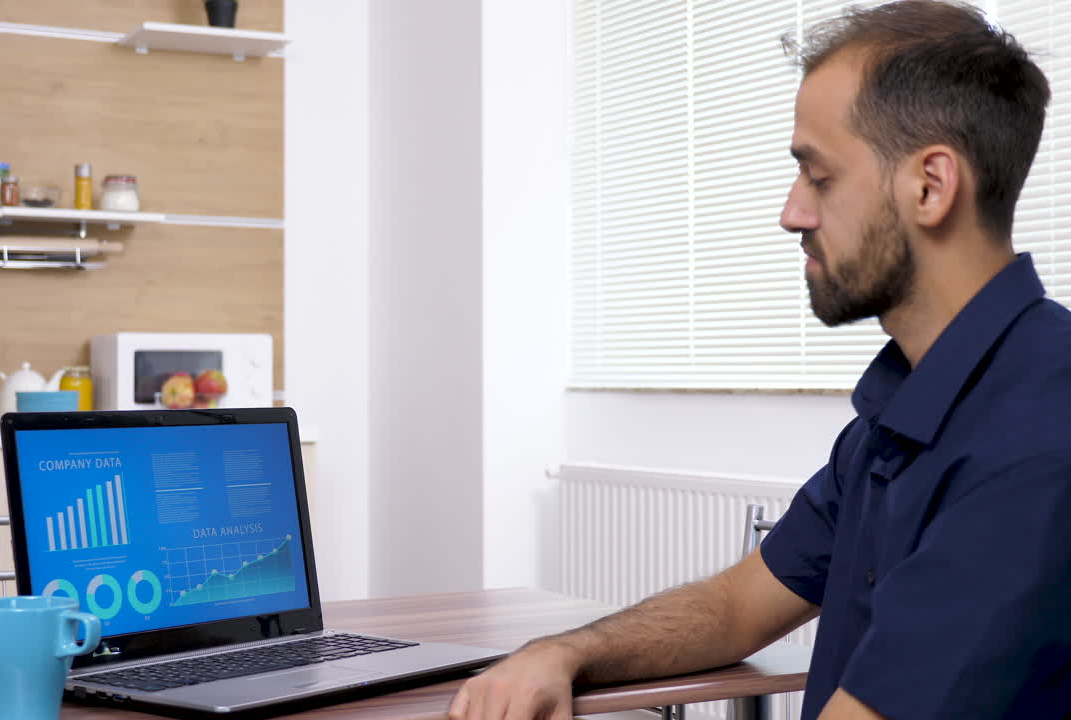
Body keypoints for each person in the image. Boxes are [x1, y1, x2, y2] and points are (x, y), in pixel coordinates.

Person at [448, 1, 1071, 718]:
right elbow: (735, 606)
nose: (791, 212)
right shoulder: (900, 415)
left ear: (930, 186)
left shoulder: (1039, 437)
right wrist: (560, 653)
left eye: (819, 176)